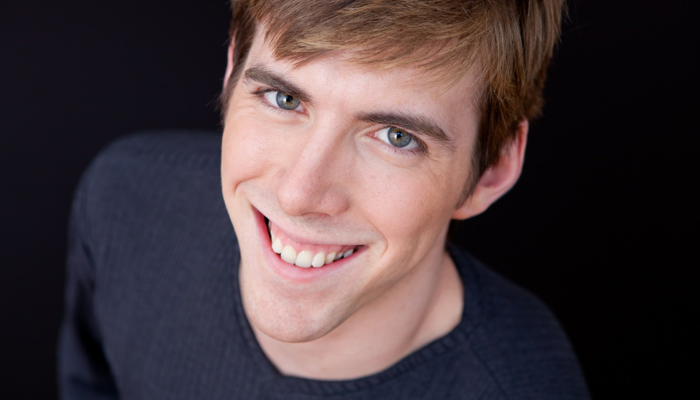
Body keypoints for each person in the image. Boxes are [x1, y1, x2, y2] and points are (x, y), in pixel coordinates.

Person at [58, 0, 590, 398]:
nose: (299, 194)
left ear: (491, 169)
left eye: (396, 137)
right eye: (284, 99)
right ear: (232, 70)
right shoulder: (125, 201)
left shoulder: (525, 385)